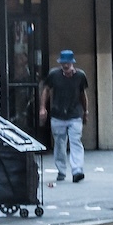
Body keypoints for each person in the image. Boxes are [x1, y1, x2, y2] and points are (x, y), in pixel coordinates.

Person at [41, 49, 90, 184]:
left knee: (75, 142)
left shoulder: (80, 76)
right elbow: (46, 90)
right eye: (63, 63)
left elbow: (82, 95)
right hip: (58, 115)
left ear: (72, 63)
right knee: (59, 144)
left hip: (74, 114)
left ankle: (77, 170)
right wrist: (43, 108)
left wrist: (85, 111)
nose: (65, 66)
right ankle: (61, 170)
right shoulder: (54, 75)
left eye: (67, 63)